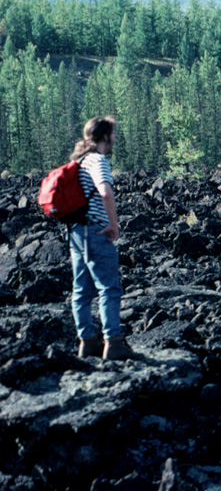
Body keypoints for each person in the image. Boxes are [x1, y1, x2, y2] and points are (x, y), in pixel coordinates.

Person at [68, 115, 134, 360]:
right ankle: (113, 343)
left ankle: (87, 342)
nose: (115, 137)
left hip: (76, 232)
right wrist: (113, 224)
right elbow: (105, 192)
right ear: (105, 136)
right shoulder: (98, 160)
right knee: (109, 288)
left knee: (81, 291)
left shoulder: (80, 159)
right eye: (113, 133)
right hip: (96, 231)